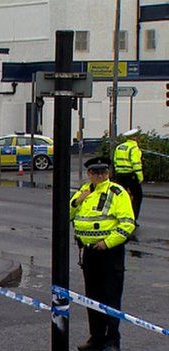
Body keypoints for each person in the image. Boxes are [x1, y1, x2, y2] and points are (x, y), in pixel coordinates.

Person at [70, 157, 136, 351]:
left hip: (109, 252)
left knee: (111, 295)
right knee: (92, 296)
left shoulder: (117, 192)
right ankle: (96, 337)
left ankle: (112, 340)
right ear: (89, 174)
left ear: (108, 173)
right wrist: (77, 201)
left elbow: (127, 224)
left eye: (103, 172)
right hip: (89, 252)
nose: (100, 176)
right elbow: (65, 214)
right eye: (96, 172)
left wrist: (106, 243)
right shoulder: (84, 191)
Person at [112, 128, 143, 223]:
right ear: (135, 138)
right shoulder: (134, 148)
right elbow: (136, 163)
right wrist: (140, 177)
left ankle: (119, 217)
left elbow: (115, 161)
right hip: (130, 175)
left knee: (121, 197)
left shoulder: (119, 147)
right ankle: (132, 218)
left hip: (119, 175)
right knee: (137, 196)